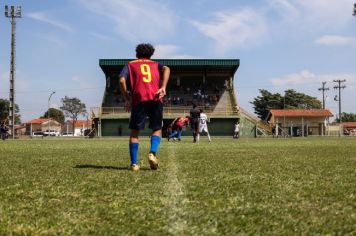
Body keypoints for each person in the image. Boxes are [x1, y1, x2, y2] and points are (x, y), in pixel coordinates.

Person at [119, 43, 170, 171]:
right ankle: (152, 153)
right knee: (157, 129)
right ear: (151, 54)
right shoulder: (155, 64)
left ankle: (134, 164)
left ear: (136, 55)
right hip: (156, 98)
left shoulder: (130, 64)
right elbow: (167, 69)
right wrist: (163, 87)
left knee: (135, 133)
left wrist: (127, 98)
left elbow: (121, 80)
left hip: (138, 100)